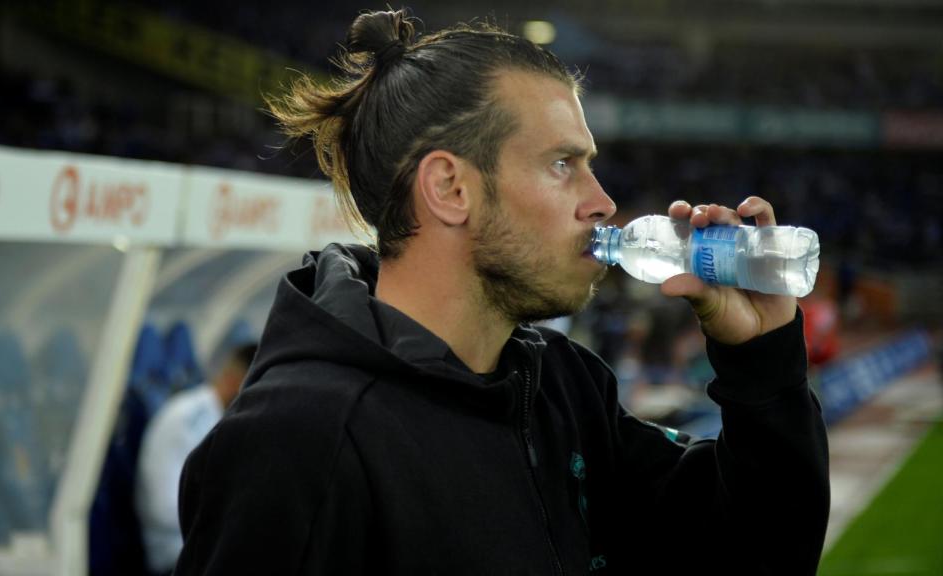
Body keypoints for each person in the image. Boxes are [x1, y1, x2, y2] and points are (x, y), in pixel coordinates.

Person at [175, 10, 829, 575]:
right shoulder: (296, 446)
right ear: (451, 188)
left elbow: (757, 556)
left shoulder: (562, 388)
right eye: (561, 165)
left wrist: (762, 364)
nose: (602, 203)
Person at [135, 343, 257, 575]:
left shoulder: (219, 418)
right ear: (235, 380)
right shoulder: (187, 418)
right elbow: (161, 507)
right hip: (175, 554)